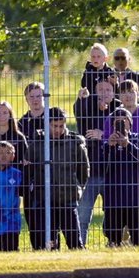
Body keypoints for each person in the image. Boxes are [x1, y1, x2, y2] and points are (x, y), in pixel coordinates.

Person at [74, 79, 122, 246]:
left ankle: (114, 243)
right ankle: (80, 245)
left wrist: (103, 135)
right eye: (100, 89)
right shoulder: (87, 107)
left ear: (114, 92)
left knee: (114, 212)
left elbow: (124, 135)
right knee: (83, 213)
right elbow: (79, 115)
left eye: (108, 89)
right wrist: (81, 100)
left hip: (112, 172)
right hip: (91, 173)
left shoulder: (119, 109)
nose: (104, 92)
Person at [101, 108, 139, 246]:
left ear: (130, 123)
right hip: (114, 199)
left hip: (136, 197)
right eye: (117, 122)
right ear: (112, 125)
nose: (121, 124)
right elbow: (102, 168)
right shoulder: (107, 144)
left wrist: (127, 145)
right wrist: (110, 147)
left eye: (124, 121)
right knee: (113, 240)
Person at [0, 101, 33, 247]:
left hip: (12, 186)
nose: (1, 116)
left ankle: (11, 244)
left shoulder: (18, 137)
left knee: (10, 215)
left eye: (5, 112)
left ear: (10, 115)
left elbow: (25, 161)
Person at [46, 107, 89, 250]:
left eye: (61, 126)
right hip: (46, 199)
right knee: (50, 242)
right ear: (47, 124)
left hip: (68, 198)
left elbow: (83, 170)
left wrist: (77, 187)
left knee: (75, 242)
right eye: (54, 126)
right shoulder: (39, 142)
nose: (58, 130)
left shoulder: (75, 143)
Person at [18, 82, 50, 249]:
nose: (36, 100)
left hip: (50, 175)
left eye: (39, 96)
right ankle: (37, 249)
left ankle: (52, 248)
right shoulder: (22, 123)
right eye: (32, 97)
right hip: (30, 177)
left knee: (51, 219)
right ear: (26, 99)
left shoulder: (52, 118)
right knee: (32, 217)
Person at [103, 80, 139, 158]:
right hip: (118, 161)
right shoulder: (111, 117)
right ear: (118, 96)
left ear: (138, 94)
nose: (128, 95)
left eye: (131, 91)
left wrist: (134, 149)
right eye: (123, 92)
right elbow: (105, 142)